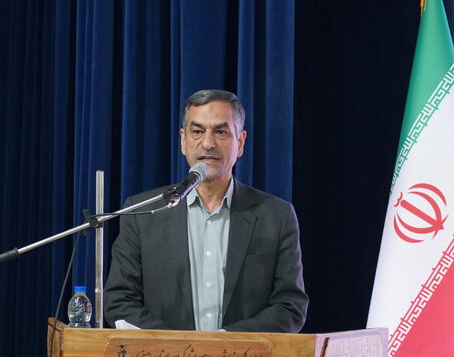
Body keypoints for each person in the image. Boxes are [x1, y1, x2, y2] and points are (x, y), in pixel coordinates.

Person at [104, 89, 308, 332]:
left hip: (244, 356)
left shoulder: (276, 216)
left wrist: (224, 345)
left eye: (221, 132)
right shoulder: (143, 213)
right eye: (197, 132)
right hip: (164, 356)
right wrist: (181, 348)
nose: (208, 143)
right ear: (183, 140)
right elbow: (120, 301)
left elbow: (289, 307)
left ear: (240, 142)